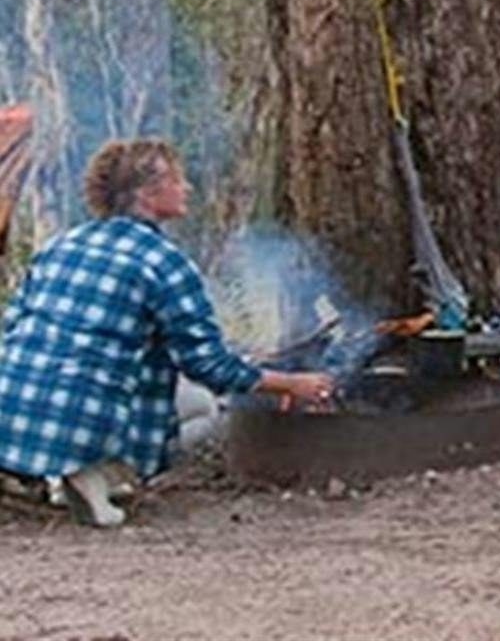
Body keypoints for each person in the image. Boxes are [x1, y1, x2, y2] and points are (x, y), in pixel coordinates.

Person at [0, 139, 334, 526]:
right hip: (82, 415)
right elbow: (207, 365)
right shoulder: (166, 263)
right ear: (147, 193)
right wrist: (290, 384)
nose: (186, 187)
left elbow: (12, 326)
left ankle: (57, 472)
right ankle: (99, 474)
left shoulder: (59, 244)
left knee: (104, 370)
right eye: (177, 179)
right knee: (203, 407)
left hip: (9, 406)